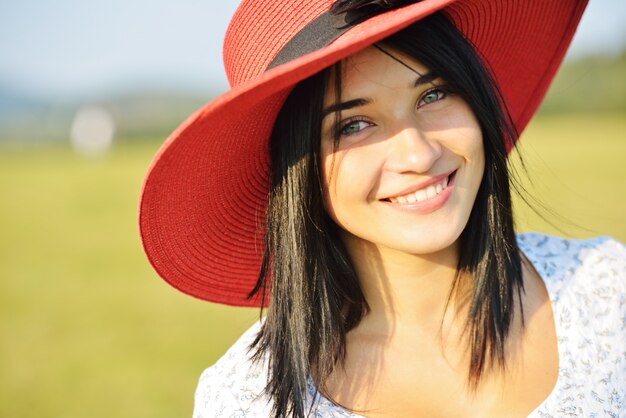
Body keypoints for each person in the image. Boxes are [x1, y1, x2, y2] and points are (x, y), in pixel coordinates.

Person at [139, 0, 625, 416]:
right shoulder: (249, 399)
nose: (418, 154)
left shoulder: (607, 294)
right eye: (354, 125)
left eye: (434, 94)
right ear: (297, 171)